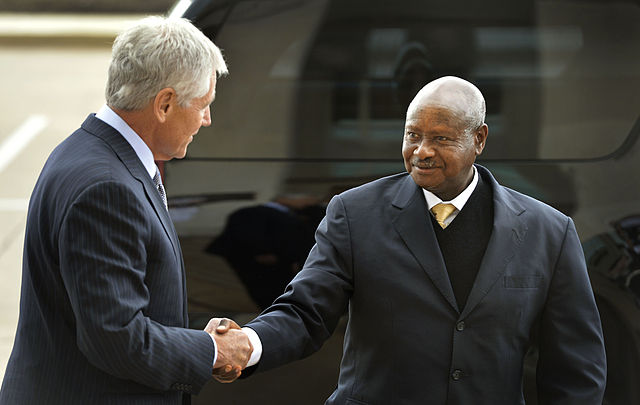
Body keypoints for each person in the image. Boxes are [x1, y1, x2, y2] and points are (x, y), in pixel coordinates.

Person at [219, 76, 607, 403]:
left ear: (479, 139)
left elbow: (575, 364)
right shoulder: (354, 214)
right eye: (412, 135)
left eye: (440, 138)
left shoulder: (549, 232)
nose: (422, 152)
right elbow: (306, 312)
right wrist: (247, 344)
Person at [0, 16, 251, 405]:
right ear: (165, 103)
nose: (207, 119)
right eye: (203, 105)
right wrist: (213, 350)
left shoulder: (89, 150)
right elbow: (116, 338)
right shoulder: (106, 189)